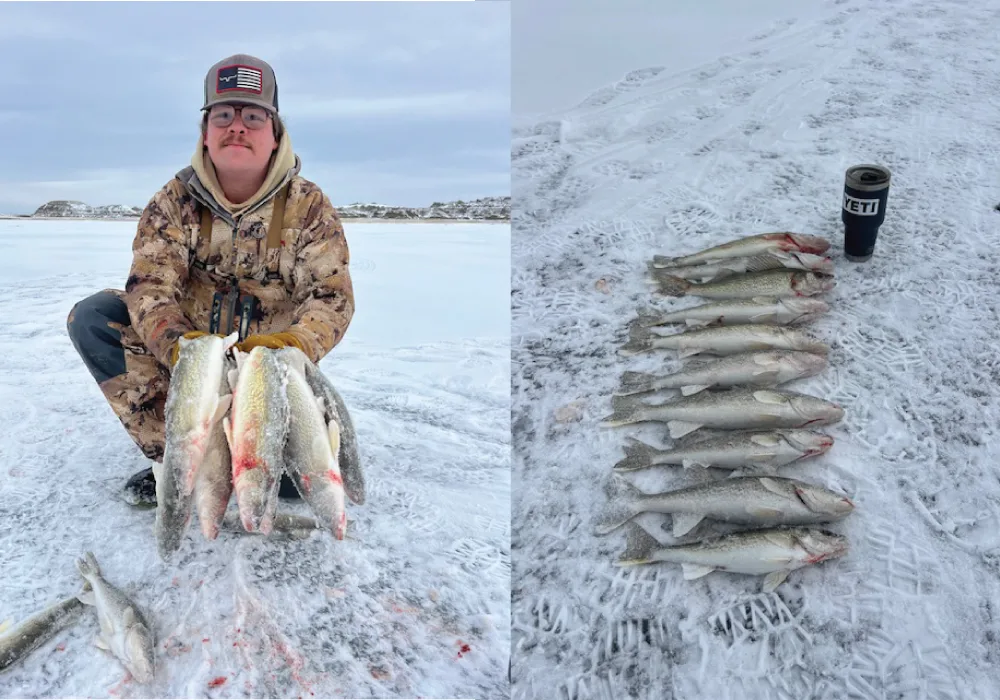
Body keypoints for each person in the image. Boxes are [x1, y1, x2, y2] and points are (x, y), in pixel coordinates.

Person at [66, 53, 355, 506]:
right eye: (223, 114)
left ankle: (272, 452)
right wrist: (182, 346)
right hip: (187, 362)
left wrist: (291, 345)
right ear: (205, 132)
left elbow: (331, 299)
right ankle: (179, 457)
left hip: (267, 370)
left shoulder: (310, 207)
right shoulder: (172, 202)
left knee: (303, 484)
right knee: (94, 316)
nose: (236, 126)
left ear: (275, 133)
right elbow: (150, 287)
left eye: (253, 116)